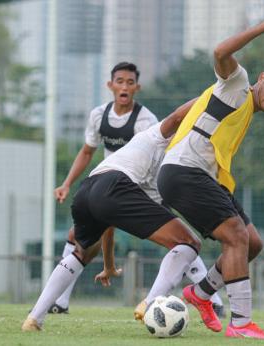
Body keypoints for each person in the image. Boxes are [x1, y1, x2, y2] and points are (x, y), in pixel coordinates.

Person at [157, 5, 264, 340]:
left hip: (202, 176)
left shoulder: (246, 107)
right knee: (235, 236)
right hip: (183, 172)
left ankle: (200, 293)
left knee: (251, 243)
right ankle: (240, 324)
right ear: (262, 78)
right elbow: (221, 51)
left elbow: (185, 114)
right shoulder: (238, 84)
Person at [22, 99, 219, 332]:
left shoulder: (158, 173)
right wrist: (212, 94)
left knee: (82, 252)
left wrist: (109, 265)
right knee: (189, 242)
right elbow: (177, 117)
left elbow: (109, 218)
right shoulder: (156, 135)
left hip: (87, 190)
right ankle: (151, 302)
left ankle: (34, 318)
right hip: (112, 185)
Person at [49, 62, 225, 316]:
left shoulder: (146, 120)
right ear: (110, 85)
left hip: (144, 184)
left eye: (129, 82)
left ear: (136, 88)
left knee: (179, 239)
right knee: (75, 236)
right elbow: (87, 152)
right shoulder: (98, 115)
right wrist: (66, 184)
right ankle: (61, 302)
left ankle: (213, 299)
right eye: (119, 81)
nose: (124, 86)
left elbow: (157, 151)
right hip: (109, 184)